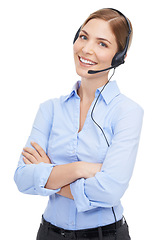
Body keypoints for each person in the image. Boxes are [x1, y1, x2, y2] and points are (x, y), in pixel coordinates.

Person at [14, 8, 144, 240]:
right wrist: (81, 169)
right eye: (83, 37)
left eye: (102, 43)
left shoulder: (128, 112)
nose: (86, 49)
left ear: (119, 57)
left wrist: (49, 174)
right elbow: (23, 178)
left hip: (105, 235)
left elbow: (110, 191)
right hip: (49, 233)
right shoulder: (50, 109)